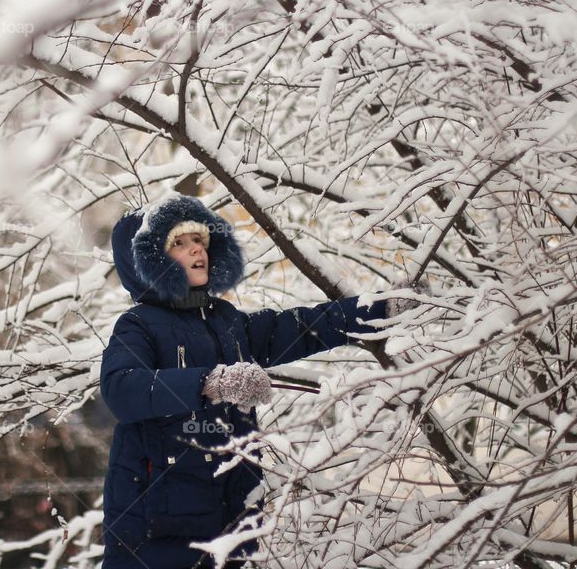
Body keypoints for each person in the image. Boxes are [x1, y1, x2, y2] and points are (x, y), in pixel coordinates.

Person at [99, 194, 393, 569]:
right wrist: (212, 383)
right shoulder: (138, 325)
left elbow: (302, 328)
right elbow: (122, 389)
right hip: (156, 530)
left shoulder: (226, 321)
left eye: (199, 240)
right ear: (145, 259)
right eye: (178, 243)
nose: (195, 250)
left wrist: (378, 309)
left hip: (232, 518)